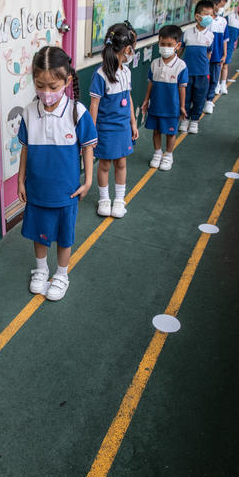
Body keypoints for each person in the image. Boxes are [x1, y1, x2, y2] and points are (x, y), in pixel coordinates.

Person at [18, 45, 97, 301]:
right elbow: (26, 149)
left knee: (64, 236)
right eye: (40, 85)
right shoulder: (29, 112)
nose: (46, 92)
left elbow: (88, 147)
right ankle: (41, 270)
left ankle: (62, 274)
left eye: (53, 86)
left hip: (66, 191)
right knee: (38, 233)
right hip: (37, 189)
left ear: (67, 81)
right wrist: (21, 181)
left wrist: (88, 181)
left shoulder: (78, 112)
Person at [89, 23, 139, 219]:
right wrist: (92, 132)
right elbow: (94, 105)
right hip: (106, 129)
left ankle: (119, 200)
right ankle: (104, 199)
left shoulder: (127, 72)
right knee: (105, 165)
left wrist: (133, 123)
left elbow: (129, 98)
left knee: (121, 163)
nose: (132, 52)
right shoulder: (100, 75)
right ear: (127, 49)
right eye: (132, 48)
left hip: (123, 127)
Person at [140, 24, 188, 171]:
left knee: (171, 132)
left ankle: (168, 155)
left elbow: (182, 87)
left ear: (177, 45)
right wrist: (146, 100)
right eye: (162, 44)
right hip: (156, 105)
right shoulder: (155, 64)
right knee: (156, 130)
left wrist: (182, 106)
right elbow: (150, 83)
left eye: (169, 45)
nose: (165, 47)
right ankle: (157, 152)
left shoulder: (181, 66)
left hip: (172, 107)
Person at [179, 0, 214, 134]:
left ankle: (194, 121)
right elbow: (180, 51)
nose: (208, 18)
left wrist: (204, 68)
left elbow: (208, 54)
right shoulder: (187, 33)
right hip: (188, 72)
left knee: (199, 98)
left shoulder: (210, 36)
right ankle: (185, 119)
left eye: (211, 15)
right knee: (186, 97)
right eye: (206, 14)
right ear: (197, 16)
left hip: (202, 73)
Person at [204, 0, 228, 115]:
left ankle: (209, 100)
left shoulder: (223, 21)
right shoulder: (205, 20)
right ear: (215, 4)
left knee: (214, 78)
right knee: (203, 78)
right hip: (204, 56)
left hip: (217, 56)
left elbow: (224, 40)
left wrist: (224, 54)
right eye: (222, 5)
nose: (222, 8)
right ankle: (201, 99)